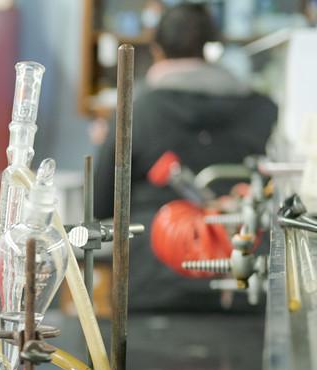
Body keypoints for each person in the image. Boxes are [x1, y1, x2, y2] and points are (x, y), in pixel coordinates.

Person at [92, 2, 277, 312]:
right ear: (210, 47)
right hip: (243, 283)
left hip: (152, 283)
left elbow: (100, 202)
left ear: (157, 49)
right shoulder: (262, 108)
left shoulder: (137, 110)